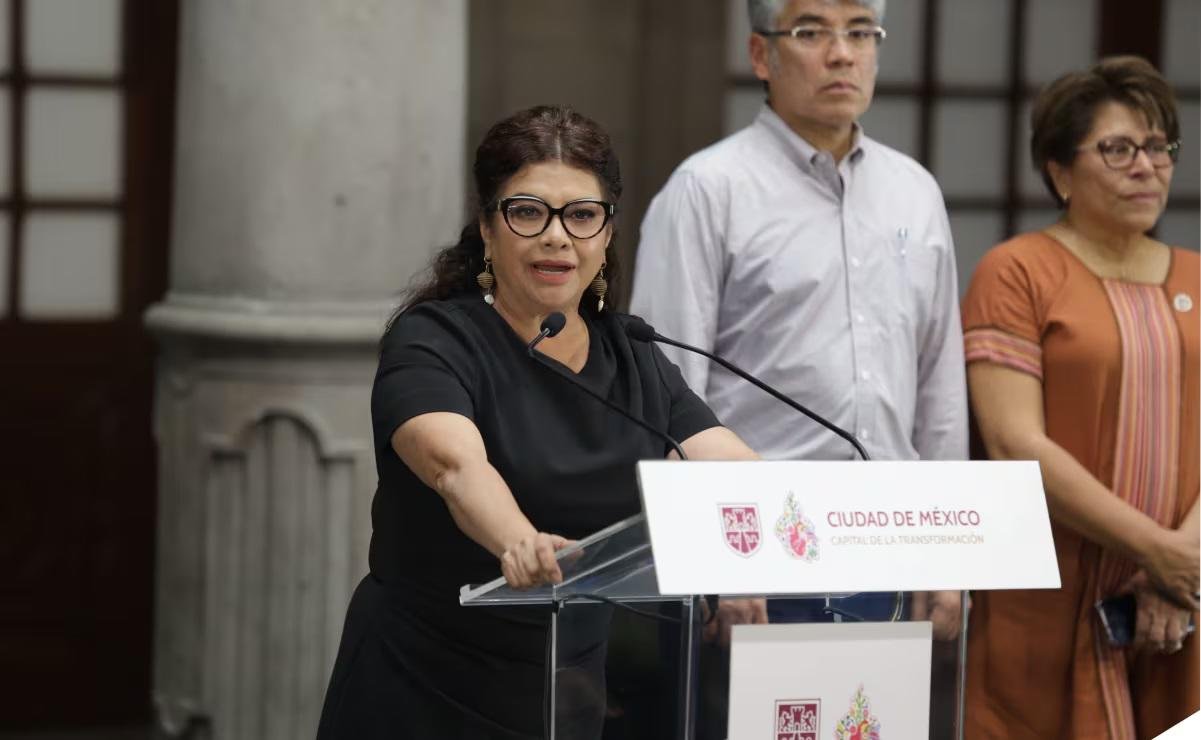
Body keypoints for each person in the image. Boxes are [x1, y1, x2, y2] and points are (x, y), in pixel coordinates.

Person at [315, 105, 763, 740]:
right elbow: (455, 468)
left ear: (605, 233)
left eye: (581, 215)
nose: (557, 237)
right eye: (528, 212)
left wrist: (781, 523)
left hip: (563, 692)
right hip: (423, 688)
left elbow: (721, 458)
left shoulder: (632, 353)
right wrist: (518, 541)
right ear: (487, 227)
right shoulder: (434, 339)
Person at [630, 0, 965, 633]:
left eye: (861, 32)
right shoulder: (707, 189)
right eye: (812, 32)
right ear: (761, 54)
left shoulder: (915, 191)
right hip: (758, 549)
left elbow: (940, 386)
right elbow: (665, 390)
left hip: (890, 543)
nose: (842, 53)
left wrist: (946, 553)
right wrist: (717, 561)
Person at [960, 56, 1199, 739]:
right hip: (1052, 588)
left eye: (1158, 147)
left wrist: (1179, 564)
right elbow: (1014, 441)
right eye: (1118, 149)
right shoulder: (1018, 272)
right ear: (1060, 171)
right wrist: (1157, 549)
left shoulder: (1197, 276)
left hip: (1182, 603)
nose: (1145, 167)